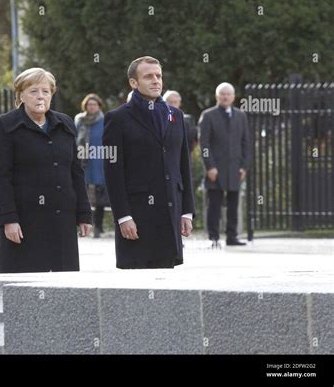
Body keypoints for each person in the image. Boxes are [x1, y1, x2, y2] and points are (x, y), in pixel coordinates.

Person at [0, 67, 92, 273]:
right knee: (25, 285)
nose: (40, 96)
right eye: (33, 91)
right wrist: (8, 219)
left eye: (46, 91)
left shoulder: (65, 124)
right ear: (21, 95)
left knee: (63, 285)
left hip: (61, 219)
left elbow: (76, 172)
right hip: (25, 221)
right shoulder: (8, 125)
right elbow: (0, 176)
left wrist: (84, 214)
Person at [103, 56, 195, 269]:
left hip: (170, 214)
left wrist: (186, 211)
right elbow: (112, 172)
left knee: (166, 289)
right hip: (137, 216)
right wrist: (123, 217)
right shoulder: (117, 118)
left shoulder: (176, 115)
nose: (156, 81)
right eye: (148, 77)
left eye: (159, 76)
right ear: (133, 83)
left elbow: (183, 166)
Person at [198, 82, 251, 248]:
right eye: (222, 94)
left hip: (235, 168)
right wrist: (210, 167)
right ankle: (213, 237)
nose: (225, 96)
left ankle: (232, 236)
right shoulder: (208, 115)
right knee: (214, 204)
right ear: (217, 96)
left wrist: (244, 166)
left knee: (233, 204)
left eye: (228, 94)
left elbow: (246, 143)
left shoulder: (241, 116)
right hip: (216, 168)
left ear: (233, 97)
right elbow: (204, 144)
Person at [74, 93, 109, 238]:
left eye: (94, 104)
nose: (92, 107)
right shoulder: (79, 120)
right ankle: (81, 225)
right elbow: (74, 138)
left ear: (99, 106)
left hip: (100, 158)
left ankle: (98, 227)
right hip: (83, 158)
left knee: (100, 193)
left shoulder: (105, 120)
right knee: (82, 192)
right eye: (89, 104)